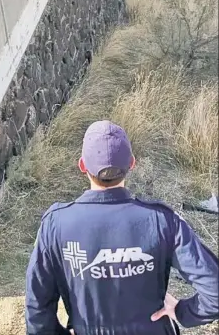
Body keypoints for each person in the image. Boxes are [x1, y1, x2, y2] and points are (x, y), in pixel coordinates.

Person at [25, 120, 219, 334]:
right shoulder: (161, 220)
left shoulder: (56, 224)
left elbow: (37, 308)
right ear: (132, 164)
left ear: (82, 165)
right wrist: (183, 311)